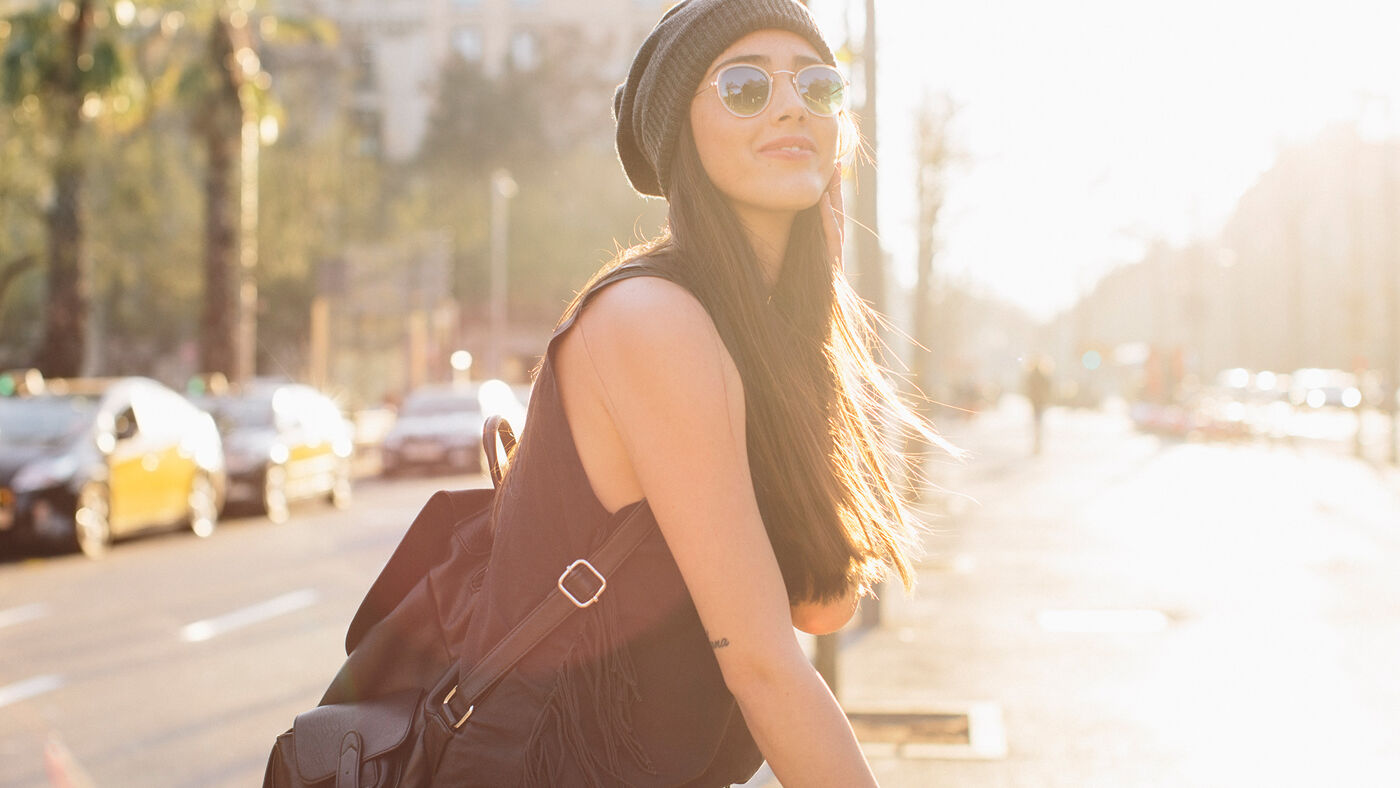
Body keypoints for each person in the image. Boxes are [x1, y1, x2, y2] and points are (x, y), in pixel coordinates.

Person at [444, 1, 940, 784]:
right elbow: (769, 670)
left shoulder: (750, 334)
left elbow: (821, 603)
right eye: (744, 86)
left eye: (818, 86)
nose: (789, 104)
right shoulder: (655, 322)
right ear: (684, 133)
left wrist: (813, 321)